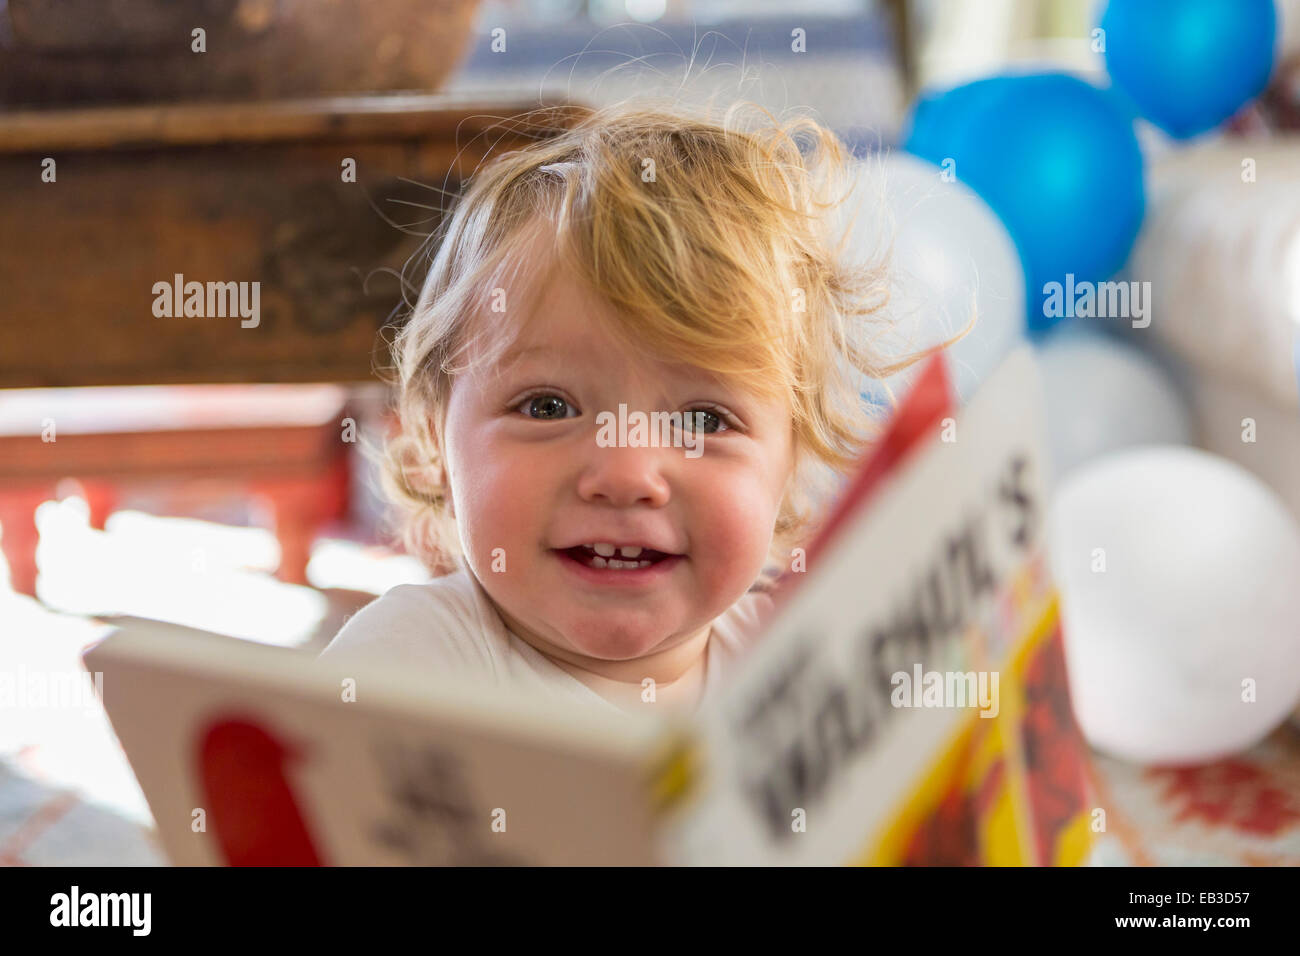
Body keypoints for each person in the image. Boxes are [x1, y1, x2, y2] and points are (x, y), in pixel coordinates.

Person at [318, 96, 962, 717]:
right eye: (546, 407)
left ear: (792, 466)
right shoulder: (408, 666)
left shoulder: (791, 668)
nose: (626, 475)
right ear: (433, 440)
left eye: (703, 421)